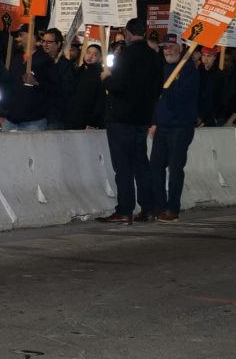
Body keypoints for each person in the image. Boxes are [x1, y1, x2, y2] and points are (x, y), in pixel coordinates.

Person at [101, 15, 161, 222]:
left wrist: (106, 78)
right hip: (142, 117)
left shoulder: (127, 54)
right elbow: (157, 87)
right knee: (140, 163)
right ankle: (148, 207)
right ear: (144, 32)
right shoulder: (154, 56)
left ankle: (124, 209)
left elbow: (118, 85)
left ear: (127, 32)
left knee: (123, 166)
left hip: (122, 118)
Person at [149, 36, 199, 220]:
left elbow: (183, 96)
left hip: (180, 126)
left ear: (180, 48)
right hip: (162, 126)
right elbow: (156, 98)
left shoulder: (188, 69)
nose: (167, 50)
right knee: (155, 166)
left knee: (175, 168)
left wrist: (167, 89)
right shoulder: (164, 68)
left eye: (170, 47)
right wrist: (154, 122)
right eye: (164, 48)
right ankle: (159, 204)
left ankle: (173, 207)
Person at [1, 31, 55, 131]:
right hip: (11, 120)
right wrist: (1, 113)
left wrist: (36, 83)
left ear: (33, 37)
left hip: (33, 122)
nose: (17, 39)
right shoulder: (16, 59)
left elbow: (54, 89)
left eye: (21, 35)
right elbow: (8, 89)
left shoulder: (45, 60)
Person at [66, 40, 106, 129]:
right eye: (88, 53)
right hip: (73, 118)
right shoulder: (79, 71)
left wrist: (93, 122)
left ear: (100, 58)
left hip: (88, 120)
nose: (90, 56)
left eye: (95, 55)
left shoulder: (101, 74)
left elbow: (101, 100)